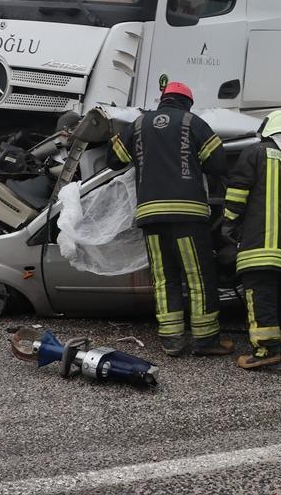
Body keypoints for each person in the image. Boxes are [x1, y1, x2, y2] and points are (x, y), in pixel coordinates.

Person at [107, 81, 232, 358]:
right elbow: (219, 165)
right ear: (187, 102)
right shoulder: (193, 123)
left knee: (164, 278)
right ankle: (205, 339)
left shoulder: (138, 125)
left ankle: (172, 341)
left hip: (151, 216)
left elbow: (113, 161)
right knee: (198, 277)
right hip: (188, 215)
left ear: (163, 100)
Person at [224, 110, 281, 369]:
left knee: (261, 295)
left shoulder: (255, 153)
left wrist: (229, 224)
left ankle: (266, 350)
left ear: (268, 128)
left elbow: (237, 193)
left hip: (260, 245)